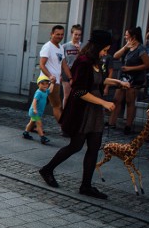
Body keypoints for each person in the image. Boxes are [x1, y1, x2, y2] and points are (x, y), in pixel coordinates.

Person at [39, 30, 131, 199]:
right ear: (97, 47)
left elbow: (99, 80)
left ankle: (86, 185)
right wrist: (104, 103)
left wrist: (117, 82)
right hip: (83, 111)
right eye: (105, 49)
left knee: (94, 147)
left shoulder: (96, 61)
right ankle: (47, 169)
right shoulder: (83, 61)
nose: (106, 53)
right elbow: (79, 91)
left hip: (94, 111)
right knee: (76, 146)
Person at [107, 27, 149, 133]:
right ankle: (111, 122)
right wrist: (125, 47)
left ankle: (128, 126)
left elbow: (147, 64)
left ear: (133, 36)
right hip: (124, 77)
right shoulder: (128, 47)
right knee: (117, 99)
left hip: (135, 78)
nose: (125, 36)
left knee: (130, 101)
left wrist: (131, 68)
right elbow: (116, 56)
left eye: (127, 35)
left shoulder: (141, 49)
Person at [38, 25, 70, 122]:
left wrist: (71, 78)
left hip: (55, 80)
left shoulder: (60, 47)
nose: (60, 36)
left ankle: (31, 126)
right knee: (57, 105)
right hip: (48, 81)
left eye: (62, 34)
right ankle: (64, 128)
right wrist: (50, 76)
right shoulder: (47, 47)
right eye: (57, 34)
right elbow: (42, 65)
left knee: (40, 105)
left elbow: (64, 65)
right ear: (51, 34)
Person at [23, 74, 51, 144]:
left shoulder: (46, 91)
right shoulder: (38, 92)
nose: (45, 85)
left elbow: (51, 90)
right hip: (35, 112)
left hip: (38, 111)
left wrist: (53, 83)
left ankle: (26, 133)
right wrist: (35, 109)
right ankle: (42, 137)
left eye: (46, 84)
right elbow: (34, 101)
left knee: (31, 123)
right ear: (38, 84)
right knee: (39, 124)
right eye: (43, 84)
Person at [62, 24, 82, 104]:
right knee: (67, 96)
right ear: (72, 34)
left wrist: (79, 50)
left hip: (78, 73)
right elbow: (62, 62)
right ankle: (65, 115)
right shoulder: (65, 46)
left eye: (79, 35)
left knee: (76, 96)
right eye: (76, 34)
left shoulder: (83, 46)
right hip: (67, 72)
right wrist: (60, 74)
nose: (77, 37)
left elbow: (85, 60)